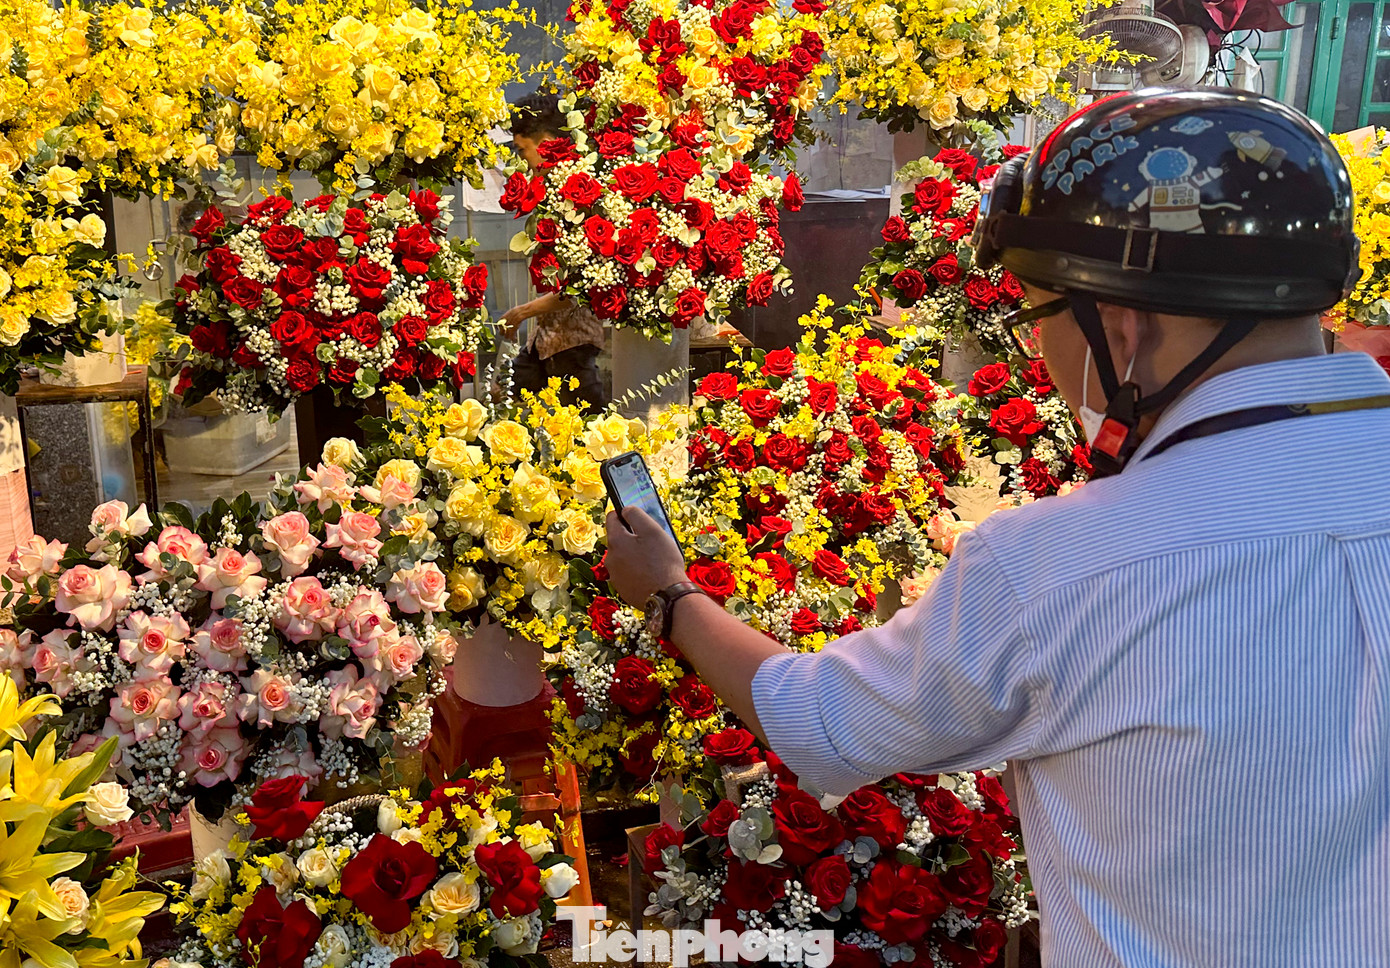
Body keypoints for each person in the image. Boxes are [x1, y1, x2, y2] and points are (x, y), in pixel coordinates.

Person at [604, 88, 1390, 967]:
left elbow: (819, 717)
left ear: (1120, 329)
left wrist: (670, 594)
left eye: (1037, 317)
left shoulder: (1060, 565)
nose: (1036, 354)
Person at [501, 92, 608, 410]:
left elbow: (577, 287)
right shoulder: (554, 192)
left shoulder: (577, 195)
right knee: (511, 399)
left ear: (545, 141)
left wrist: (521, 313)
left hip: (573, 341)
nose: (524, 160)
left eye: (523, 149)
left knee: (587, 420)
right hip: (547, 338)